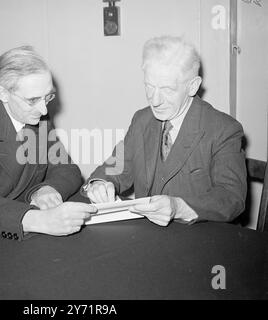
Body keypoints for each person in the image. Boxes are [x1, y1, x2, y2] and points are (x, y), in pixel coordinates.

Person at [83, 35, 247, 226]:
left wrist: (179, 207)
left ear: (193, 86)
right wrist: (99, 184)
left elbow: (231, 197)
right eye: (149, 86)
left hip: (200, 239)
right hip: (149, 236)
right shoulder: (141, 120)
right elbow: (116, 166)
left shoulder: (223, 129)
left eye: (167, 89)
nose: (155, 100)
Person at [0, 46, 96, 240]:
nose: (44, 110)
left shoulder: (37, 118)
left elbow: (66, 169)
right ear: (3, 94)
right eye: (32, 100)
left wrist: (46, 189)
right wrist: (38, 220)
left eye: (48, 96)